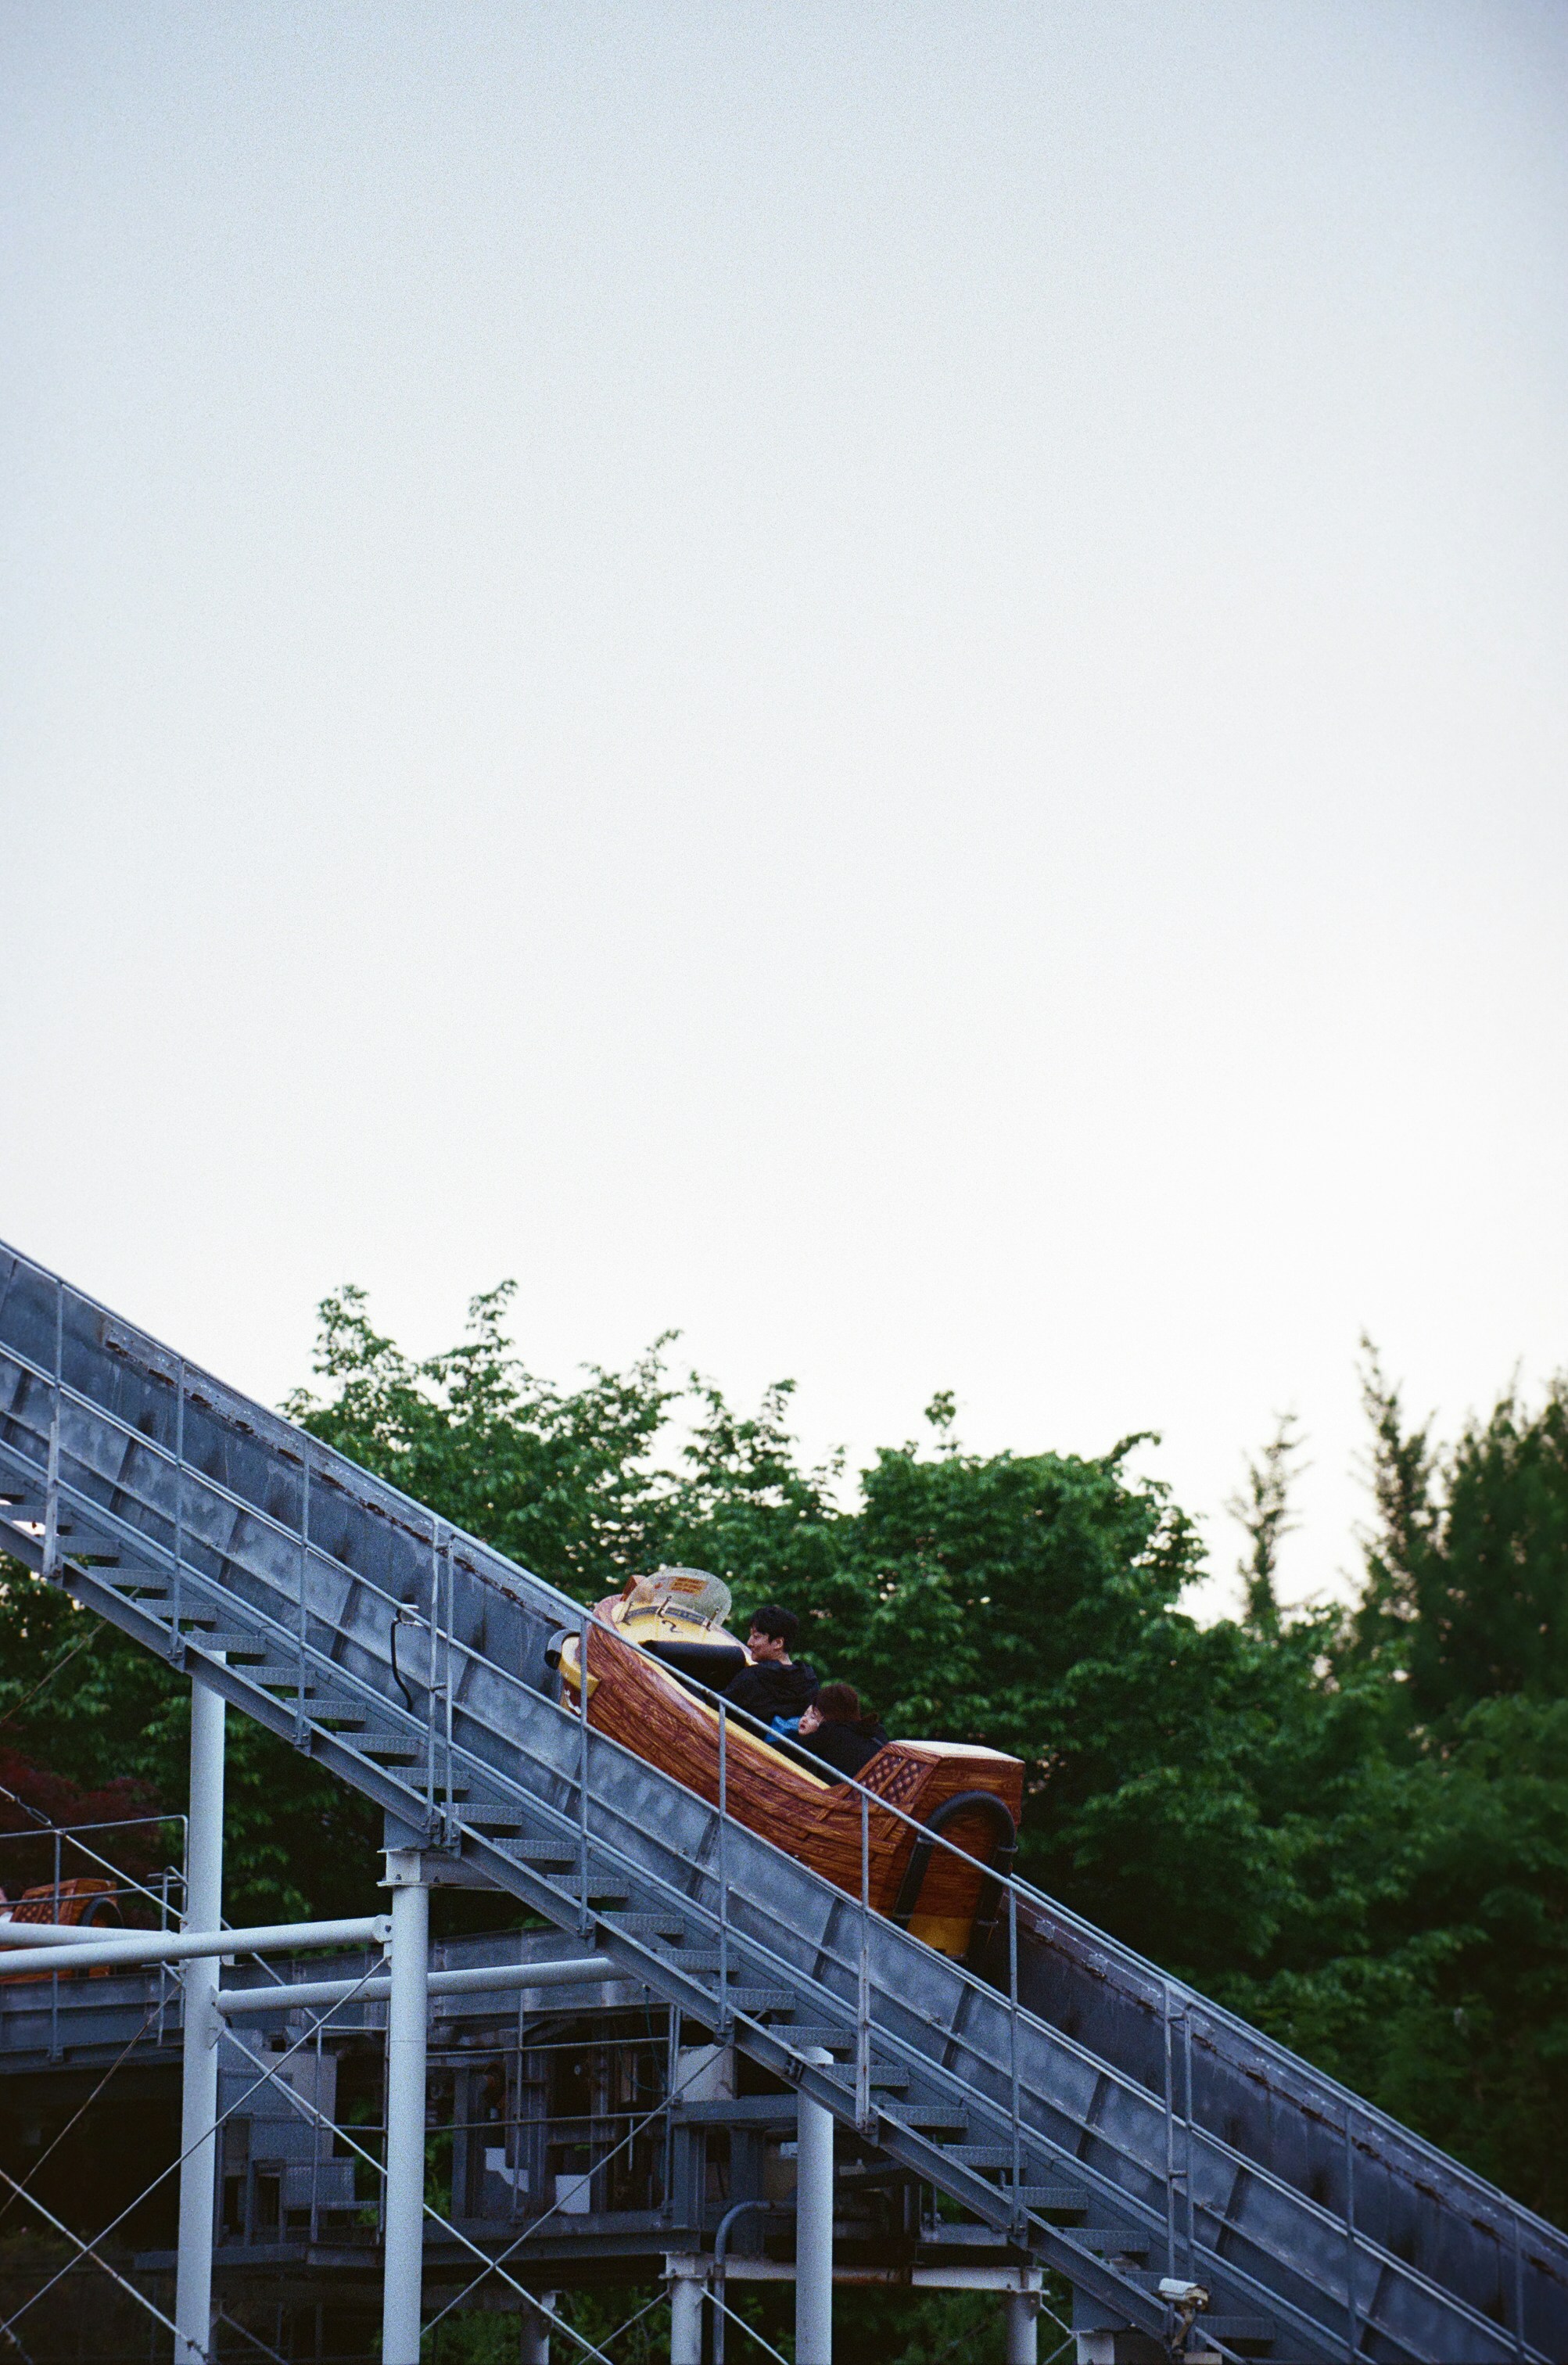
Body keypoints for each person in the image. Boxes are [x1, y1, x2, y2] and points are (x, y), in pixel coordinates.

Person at [722, 1605, 819, 1724]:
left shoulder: (752, 1677)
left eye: (756, 1637)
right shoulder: (810, 1683)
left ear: (778, 1643)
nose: (749, 1642)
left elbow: (715, 1707)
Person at [798, 1682, 888, 1781]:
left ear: (826, 1713)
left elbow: (790, 1749)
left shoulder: (831, 1731)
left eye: (815, 1714)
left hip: (842, 1794)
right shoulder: (877, 1732)